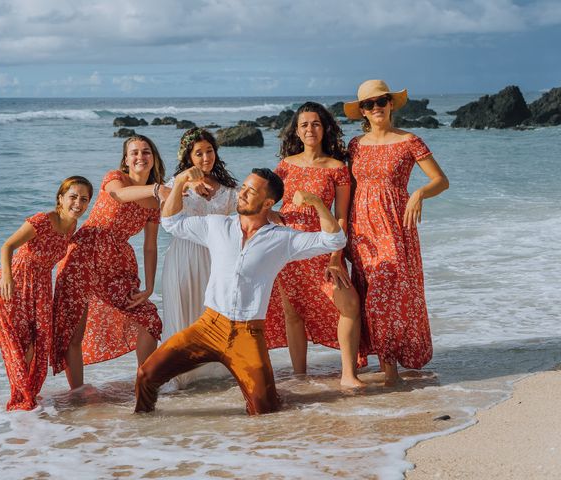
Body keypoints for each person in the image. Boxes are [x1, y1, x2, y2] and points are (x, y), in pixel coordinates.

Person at [134, 167, 347, 415]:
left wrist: (317, 204)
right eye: (243, 188)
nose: (242, 194)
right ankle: (143, 429)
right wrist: (181, 182)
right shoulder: (216, 226)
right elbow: (171, 222)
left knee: (264, 409)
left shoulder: (282, 239)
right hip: (207, 327)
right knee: (146, 375)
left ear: (268, 202)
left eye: (251, 191)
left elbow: (334, 240)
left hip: (248, 334)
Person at [343, 79, 449, 386]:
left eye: (381, 101)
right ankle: (382, 363)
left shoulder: (410, 141)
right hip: (360, 227)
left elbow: (441, 181)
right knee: (367, 293)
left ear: (391, 104)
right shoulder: (354, 146)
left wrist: (418, 194)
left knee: (386, 293)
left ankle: (390, 369)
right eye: (368, 104)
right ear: (362, 111)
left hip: (395, 226)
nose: (375, 108)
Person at [52, 135, 165, 390]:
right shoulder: (115, 178)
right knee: (73, 332)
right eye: (134, 152)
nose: (140, 157)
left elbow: (150, 245)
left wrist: (149, 286)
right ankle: (77, 393)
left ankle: (144, 385)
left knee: (149, 319)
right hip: (82, 256)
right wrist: (158, 188)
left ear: (154, 158)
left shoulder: (154, 203)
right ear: (126, 160)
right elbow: (120, 195)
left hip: (117, 264)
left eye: (146, 152)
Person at [264, 101, 364, 388]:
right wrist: (272, 214)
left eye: (316, 123)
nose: (310, 129)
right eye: (304, 124)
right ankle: (299, 376)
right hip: (288, 250)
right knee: (293, 314)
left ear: (325, 128)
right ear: (296, 131)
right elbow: (263, 199)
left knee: (349, 305)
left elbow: (342, 217)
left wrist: (336, 258)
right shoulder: (285, 166)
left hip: (322, 247)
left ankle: (348, 374)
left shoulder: (337, 168)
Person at [0, 176, 93, 410]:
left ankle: (28, 396)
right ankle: (22, 399)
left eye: (84, 199)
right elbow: (7, 246)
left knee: (37, 344)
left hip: (41, 288)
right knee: (23, 345)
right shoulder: (43, 220)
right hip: (13, 285)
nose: (78, 203)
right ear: (60, 198)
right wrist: (7, 278)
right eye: (73, 197)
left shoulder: (72, 225)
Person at [161, 128, 238, 388]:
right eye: (199, 153)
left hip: (216, 258)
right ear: (188, 157)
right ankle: (179, 378)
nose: (206, 157)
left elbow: (245, 221)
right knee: (184, 315)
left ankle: (214, 379)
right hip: (182, 256)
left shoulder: (228, 189)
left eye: (210, 151)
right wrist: (183, 181)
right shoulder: (176, 184)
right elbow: (167, 219)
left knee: (212, 314)